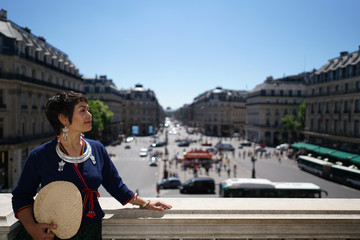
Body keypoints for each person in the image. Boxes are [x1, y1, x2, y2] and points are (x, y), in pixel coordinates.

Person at [12, 91, 172, 240]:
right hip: (53, 232)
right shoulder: (40, 155)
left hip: (90, 229)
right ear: (64, 119)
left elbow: (116, 186)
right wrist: (32, 227)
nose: (90, 115)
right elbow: (21, 196)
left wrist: (145, 203)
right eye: (83, 110)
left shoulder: (96, 148)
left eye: (88, 110)